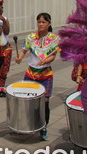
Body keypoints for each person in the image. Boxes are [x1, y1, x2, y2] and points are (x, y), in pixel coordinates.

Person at [15, 12, 59, 141]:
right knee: (27, 101)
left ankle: (44, 127)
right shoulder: (31, 37)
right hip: (31, 74)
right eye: (39, 22)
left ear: (49, 23)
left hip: (45, 75)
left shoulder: (54, 39)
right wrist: (20, 57)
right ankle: (28, 124)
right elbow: (24, 49)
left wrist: (45, 61)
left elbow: (53, 55)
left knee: (45, 102)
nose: (41, 24)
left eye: (43, 22)